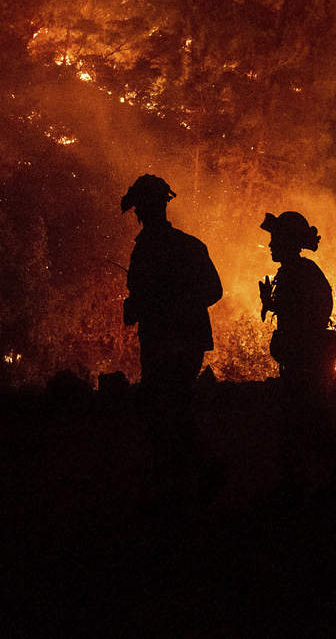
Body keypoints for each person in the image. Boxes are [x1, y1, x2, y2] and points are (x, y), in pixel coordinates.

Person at [121, 174, 223, 504]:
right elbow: (213, 291)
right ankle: (191, 475)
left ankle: (180, 481)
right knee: (174, 406)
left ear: (139, 210)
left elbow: (143, 295)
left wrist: (148, 304)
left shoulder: (146, 251)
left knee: (162, 407)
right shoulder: (190, 246)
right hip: (189, 341)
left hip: (163, 341)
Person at [259, 211, 336, 497]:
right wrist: (271, 304)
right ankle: (313, 481)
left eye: (275, 239)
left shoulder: (301, 273)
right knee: (301, 421)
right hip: (301, 361)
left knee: (308, 419)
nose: (270, 245)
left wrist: (280, 312)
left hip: (307, 364)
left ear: (287, 241)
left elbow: (308, 316)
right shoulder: (297, 272)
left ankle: (328, 482)